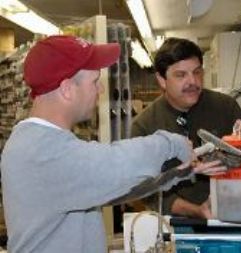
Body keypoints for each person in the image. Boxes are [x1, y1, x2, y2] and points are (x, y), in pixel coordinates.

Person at [0, 35, 226, 253]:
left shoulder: (47, 141)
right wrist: (171, 144)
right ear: (67, 89)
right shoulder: (40, 151)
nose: (100, 90)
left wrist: (176, 172)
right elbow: (114, 162)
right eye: (95, 82)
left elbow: (116, 190)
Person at [131, 37, 241, 219]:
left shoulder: (226, 107)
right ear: (162, 80)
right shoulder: (144, 126)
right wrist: (196, 211)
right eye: (181, 75)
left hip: (233, 215)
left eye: (197, 72)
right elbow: (148, 191)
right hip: (179, 224)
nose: (193, 81)